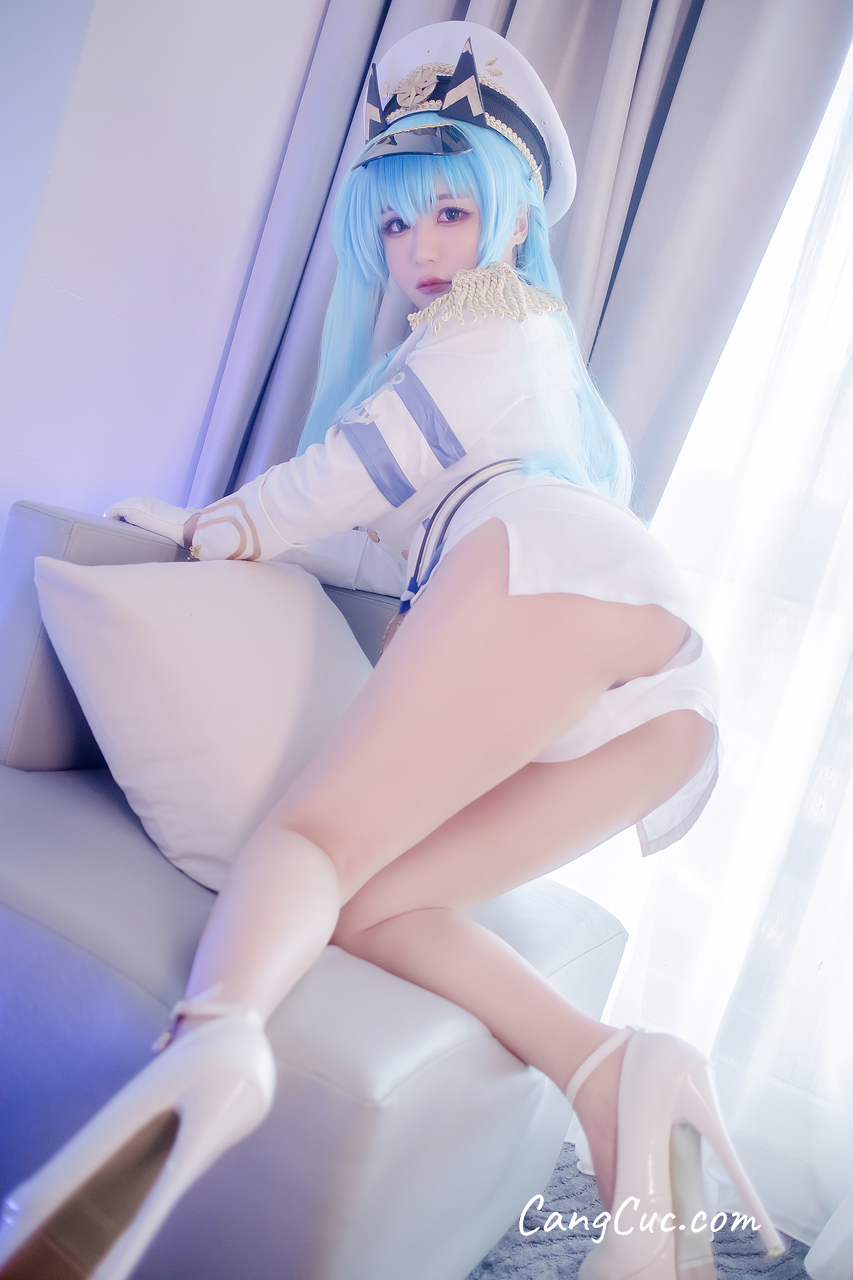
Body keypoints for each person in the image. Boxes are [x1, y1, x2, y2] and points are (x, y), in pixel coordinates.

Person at [0, 22, 783, 1280]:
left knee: (308, 843)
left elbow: (346, 474)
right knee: (375, 903)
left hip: (556, 573)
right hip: (666, 702)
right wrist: (232, 535)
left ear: (514, 216)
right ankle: (615, 1074)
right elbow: (376, 546)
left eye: (452, 213)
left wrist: (224, 525)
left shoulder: (489, 328)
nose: (421, 251)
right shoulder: (520, 367)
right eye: (397, 222)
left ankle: (211, 1043)